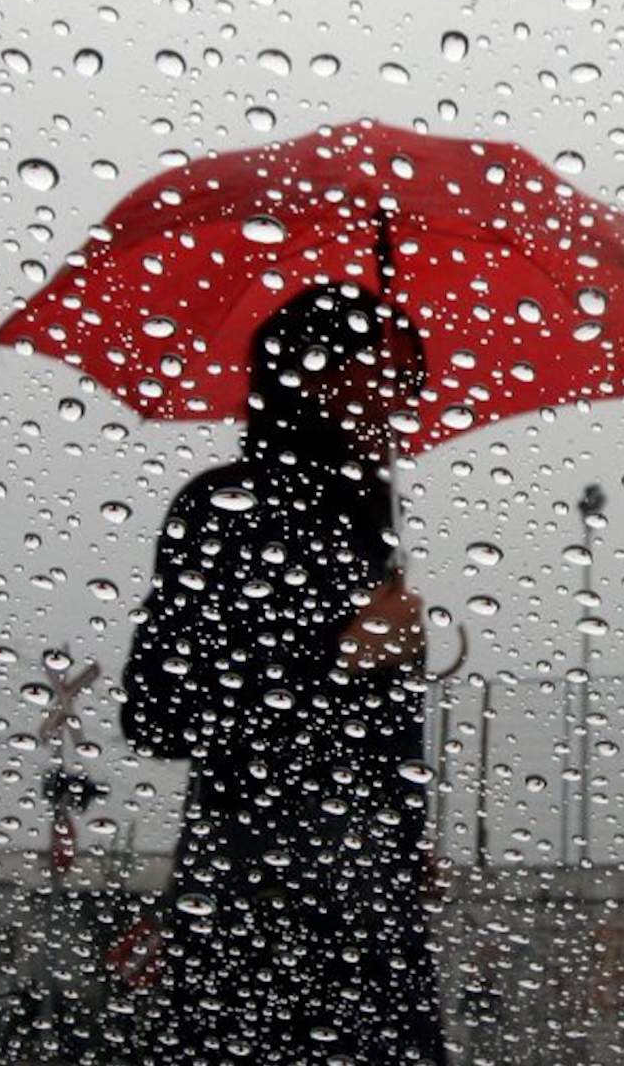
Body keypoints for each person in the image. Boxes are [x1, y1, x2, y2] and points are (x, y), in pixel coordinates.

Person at [120, 282, 448, 1064]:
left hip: (368, 904)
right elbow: (155, 712)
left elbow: (372, 734)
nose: (401, 402)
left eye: (409, 380)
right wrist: (339, 661)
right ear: (314, 376)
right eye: (383, 373)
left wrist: (402, 832)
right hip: (254, 904)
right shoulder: (223, 510)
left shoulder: (366, 532)